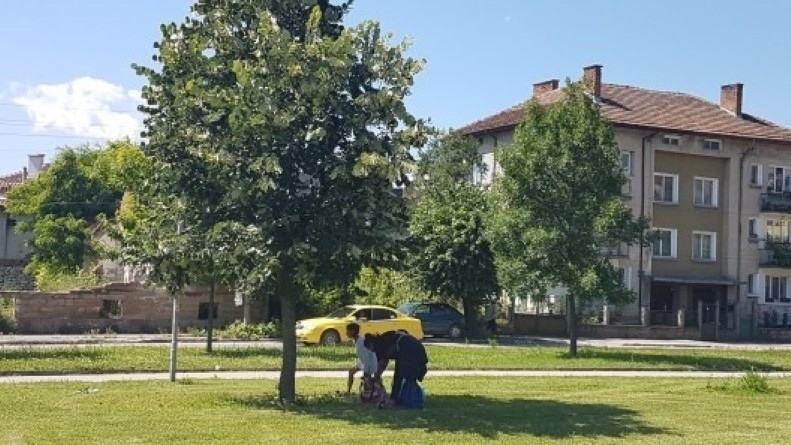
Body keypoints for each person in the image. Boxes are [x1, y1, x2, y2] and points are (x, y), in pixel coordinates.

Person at [370, 330, 428, 407]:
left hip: (407, 351)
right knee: (408, 378)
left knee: (399, 376)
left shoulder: (381, 345)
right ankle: (401, 398)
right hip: (418, 352)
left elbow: (383, 363)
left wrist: (376, 377)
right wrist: (377, 376)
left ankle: (395, 400)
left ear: (371, 344)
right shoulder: (387, 338)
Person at [345, 322, 377, 394]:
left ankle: (371, 393)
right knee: (351, 372)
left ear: (353, 331)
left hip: (370, 363)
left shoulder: (360, 342)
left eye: (347, 331)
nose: (346, 333)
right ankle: (348, 391)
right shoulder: (357, 339)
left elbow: (367, 358)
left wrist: (365, 371)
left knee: (368, 379)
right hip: (362, 362)